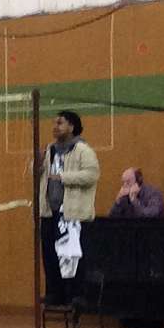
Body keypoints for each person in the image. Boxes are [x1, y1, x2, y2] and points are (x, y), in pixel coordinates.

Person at [37, 109, 99, 305]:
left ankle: (76, 295)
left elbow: (92, 175)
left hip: (71, 213)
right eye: (54, 123)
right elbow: (38, 175)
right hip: (50, 212)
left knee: (72, 256)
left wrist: (63, 177)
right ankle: (55, 293)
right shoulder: (50, 150)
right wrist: (38, 162)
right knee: (50, 255)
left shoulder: (83, 150)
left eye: (60, 123)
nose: (55, 127)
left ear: (72, 127)